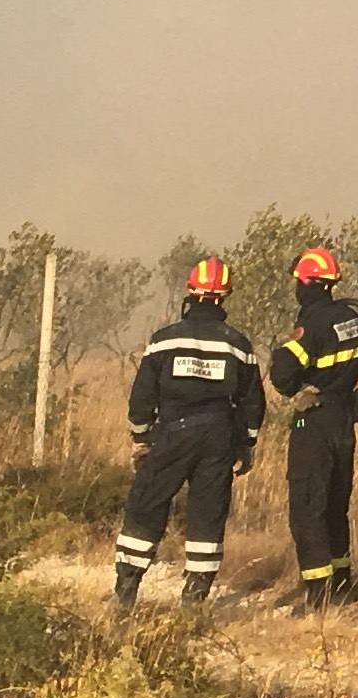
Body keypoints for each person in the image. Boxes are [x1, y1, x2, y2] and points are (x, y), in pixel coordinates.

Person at [113, 255, 265, 611]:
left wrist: (141, 436)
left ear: (190, 292)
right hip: (218, 436)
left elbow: (142, 396)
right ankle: (194, 599)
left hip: (172, 433)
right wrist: (246, 444)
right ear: (224, 296)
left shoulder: (164, 340)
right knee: (208, 513)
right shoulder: (238, 344)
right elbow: (252, 401)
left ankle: (125, 594)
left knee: (146, 505)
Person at [267, 246, 358, 612]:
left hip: (316, 423)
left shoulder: (314, 324)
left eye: (298, 283)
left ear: (307, 283)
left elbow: (283, 377)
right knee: (336, 505)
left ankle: (318, 595)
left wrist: (285, 353)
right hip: (342, 421)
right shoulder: (350, 318)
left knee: (309, 506)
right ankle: (342, 585)